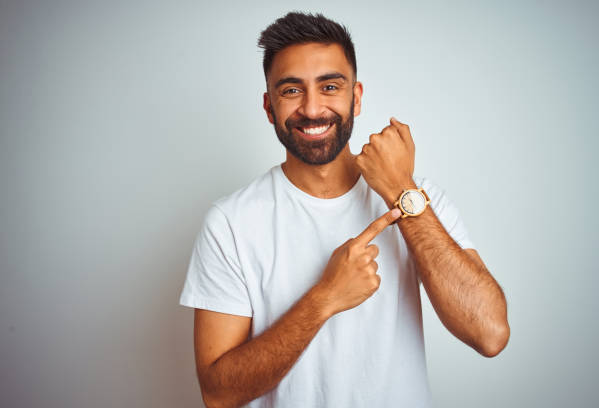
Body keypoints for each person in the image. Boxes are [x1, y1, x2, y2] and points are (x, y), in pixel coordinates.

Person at [179, 11, 509, 408]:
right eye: (291, 90)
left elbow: (490, 334)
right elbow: (218, 394)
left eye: (330, 86)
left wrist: (402, 192)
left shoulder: (418, 202)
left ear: (356, 97)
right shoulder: (230, 223)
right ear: (269, 107)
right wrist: (325, 298)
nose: (313, 108)